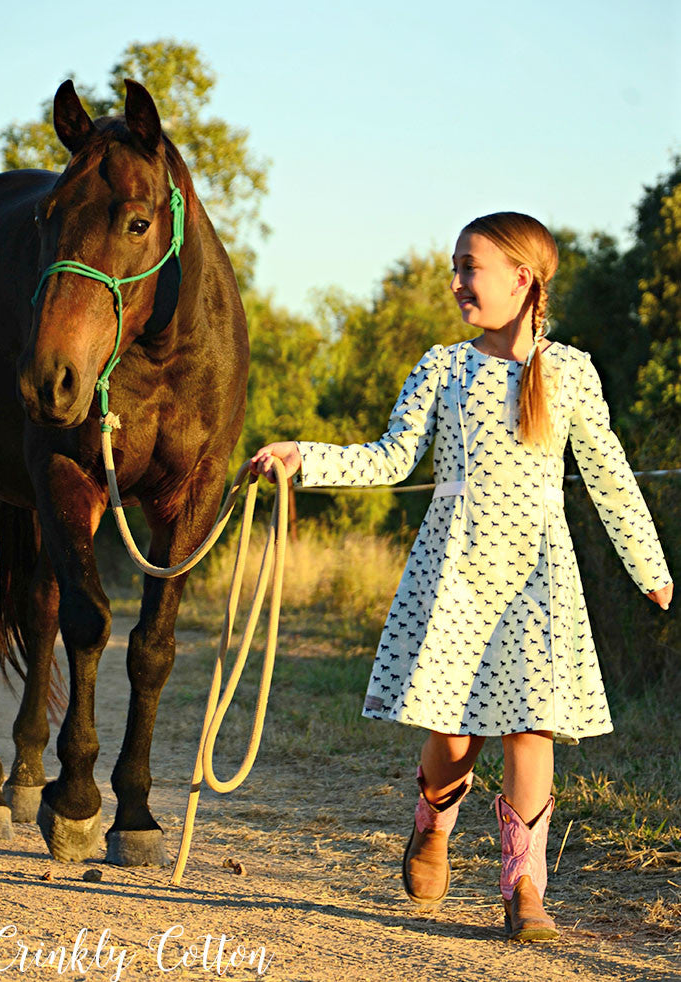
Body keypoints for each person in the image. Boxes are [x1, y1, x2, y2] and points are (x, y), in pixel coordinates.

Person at [250, 212, 673, 942]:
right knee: (453, 739)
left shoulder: (570, 371)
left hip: (537, 575)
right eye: (454, 266)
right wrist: (304, 457)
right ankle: (432, 825)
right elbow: (389, 459)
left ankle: (524, 890)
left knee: (531, 727)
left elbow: (608, 476)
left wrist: (648, 565)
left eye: (467, 267)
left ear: (520, 278)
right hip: (455, 574)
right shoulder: (442, 367)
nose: (455, 282)